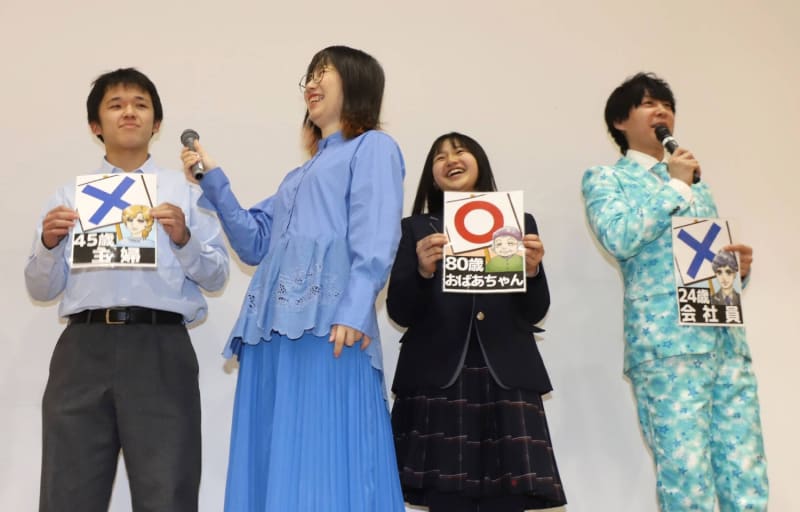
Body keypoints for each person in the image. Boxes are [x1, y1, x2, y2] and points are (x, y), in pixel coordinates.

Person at [180, 45, 406, 511]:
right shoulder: (296, 177)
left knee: (326, 451)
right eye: (309, 73)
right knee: (274, 449)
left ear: (357, 82)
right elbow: (253, 243)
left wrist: (356, 306)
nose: (312, 82)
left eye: (325, 72)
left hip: (333, 326)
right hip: (271, 334)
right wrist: (212, 179)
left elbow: (378, 231)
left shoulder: (374, 148)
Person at [24, 68, 230, 512]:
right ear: (95, 126)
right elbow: (41, 286)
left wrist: (184, 240)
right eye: (115, 105)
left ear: (157, 123)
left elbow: (216, 277)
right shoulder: (68, 195)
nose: (129, 112)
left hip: (161, 344)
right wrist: (47, 244)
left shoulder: (187, 194)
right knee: (68, 491)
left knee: (167, 490)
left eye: (140, 104)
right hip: (82, 346)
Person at [581, 72, 767, 511]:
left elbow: (697, 262)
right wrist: (675, 185)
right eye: (647, 104)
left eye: (665, 103)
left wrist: (734, 271)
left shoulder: (699, 188)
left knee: (746, 472)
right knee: (687, 477)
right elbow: (620, 238)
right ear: (620, 121)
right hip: (668, 348)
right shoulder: (608, 178)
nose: (660, 110)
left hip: (724, 340)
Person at [387, 132, 566, 512]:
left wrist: (532, 273)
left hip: (505, 374)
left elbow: (535, 310)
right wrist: (421, 271)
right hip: (438, 377)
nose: (450, 159)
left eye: (460, 151)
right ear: (432, 176)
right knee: (446, 500)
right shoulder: (416, 229)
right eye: (439, 156)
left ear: (480, 162)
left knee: (509, 500)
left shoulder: (518, 223)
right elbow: (399, 312)